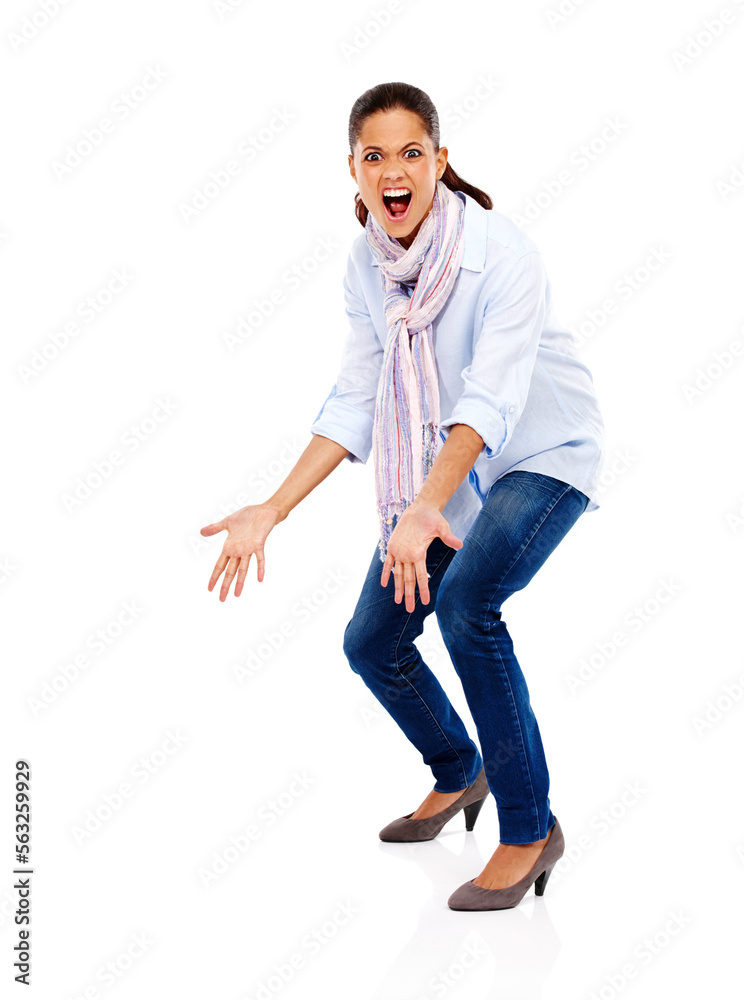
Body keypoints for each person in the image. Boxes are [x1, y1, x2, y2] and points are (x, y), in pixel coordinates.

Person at [200, 82, 605, 911]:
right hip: (440, 480)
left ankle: (530, 829)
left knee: (465, 607)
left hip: (541, 456)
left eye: (411, 153)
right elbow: (358, 395)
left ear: (441, 161)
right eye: (374, 156)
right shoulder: (367, 264)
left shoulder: (503, 253)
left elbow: (489, 400)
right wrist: (273, 508)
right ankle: (462, 773)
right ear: (353, 171)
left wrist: (427, 509)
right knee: (371, 640)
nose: (394, 171)